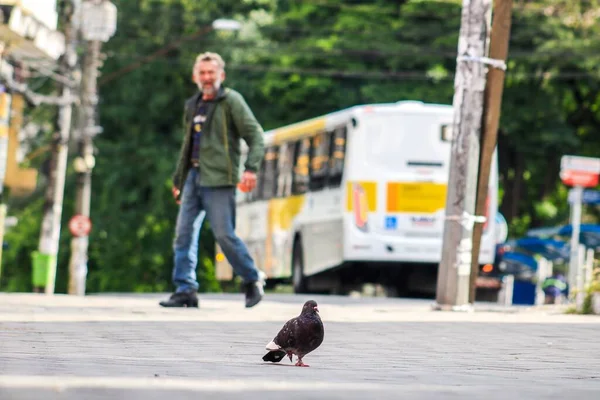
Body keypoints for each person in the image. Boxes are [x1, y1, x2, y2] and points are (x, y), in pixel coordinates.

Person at [159, 52, 266, 308]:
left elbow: (256, 136)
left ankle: (252, 279)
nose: (207, 78)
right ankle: (185, 289)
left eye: (212, 73)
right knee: (183, 234)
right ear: (195, 76)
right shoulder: (193, 105)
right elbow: (188, 145)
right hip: (193, 178)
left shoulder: (231, 101)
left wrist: (250, 169)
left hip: (219, 180)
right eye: (202, 73)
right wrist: (179, 179)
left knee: (224, 235)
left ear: (221, 75)